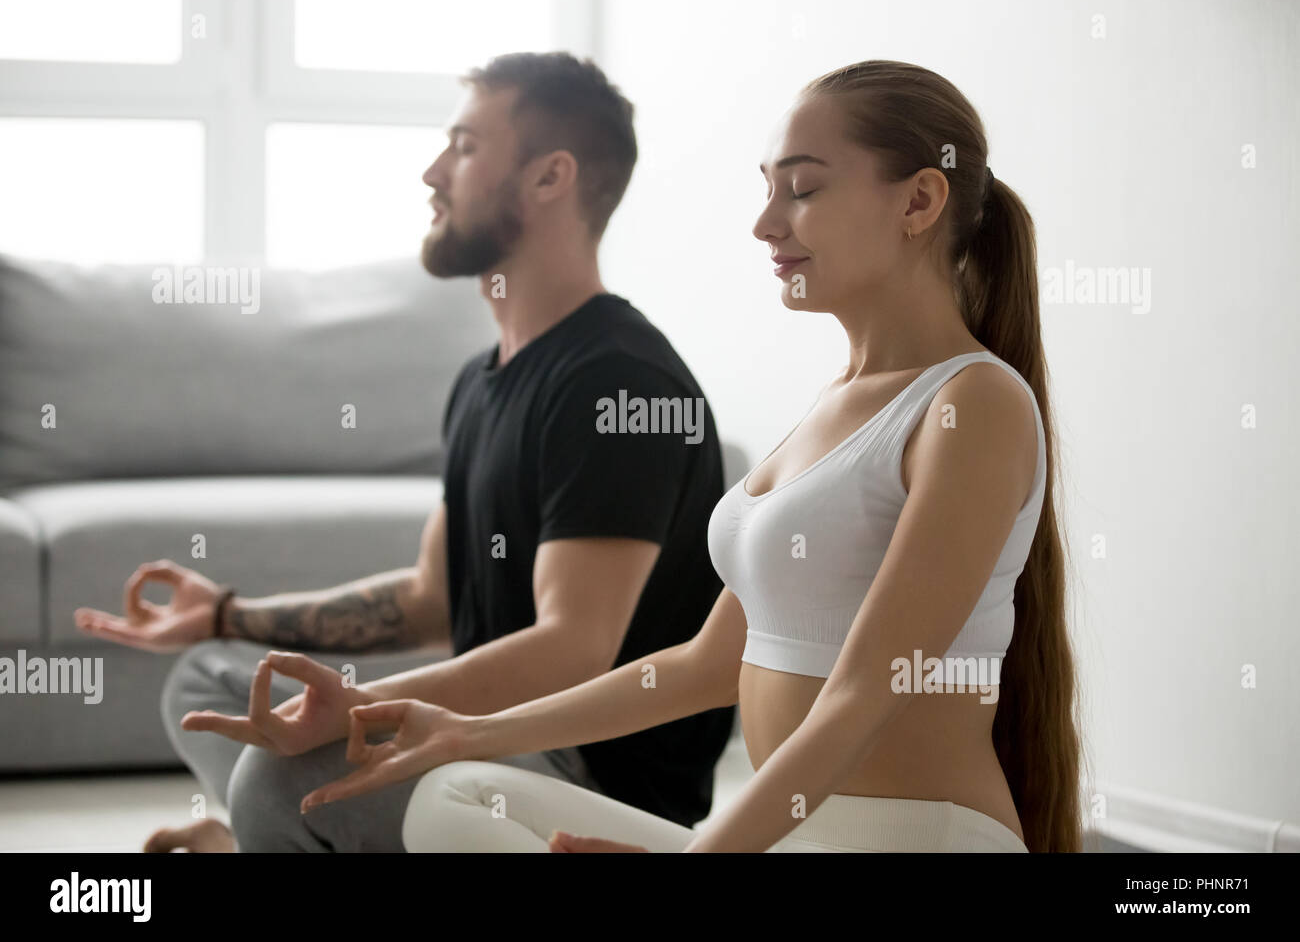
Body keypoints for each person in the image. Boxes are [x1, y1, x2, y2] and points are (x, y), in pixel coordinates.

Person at [261, 59, 1088, 853]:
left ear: (921, 200)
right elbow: (704, 664)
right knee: (455, 793)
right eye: (765, 190)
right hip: (789, 840)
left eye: (801, 189)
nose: (766, 224)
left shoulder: (972, 404)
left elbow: (868, 689)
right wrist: (469, 730)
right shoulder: (831, 408)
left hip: (914, 844)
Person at [75, 51, 734, 852]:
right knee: (212, 677)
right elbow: (430, 596)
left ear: (549, 177)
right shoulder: (482, 380)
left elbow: (573, 649)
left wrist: (355, 707)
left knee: (286, 773)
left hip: (591, 774)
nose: (431, 172)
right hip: (498, 734)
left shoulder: (620, 382)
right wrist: (223, 612)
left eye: (462, 146)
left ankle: (249, 836)